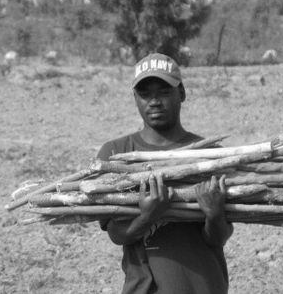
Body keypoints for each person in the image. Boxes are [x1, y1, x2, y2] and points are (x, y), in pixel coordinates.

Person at [97, 53, 234, 294]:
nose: (154, 101)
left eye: (163, 92)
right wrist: (146, 217)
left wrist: (213, 214)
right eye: (145, 94)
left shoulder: (211, 156)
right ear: (135, 98)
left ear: (181, 93)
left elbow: (219, 238)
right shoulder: (116, 154)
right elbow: (116, 234)